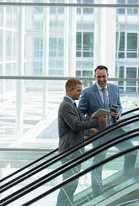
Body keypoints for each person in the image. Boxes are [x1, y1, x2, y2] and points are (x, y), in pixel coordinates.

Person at [78, 65, 137, 197]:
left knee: (132, 151)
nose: (101, 79)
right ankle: (98, 194)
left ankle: (127, 184)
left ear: (107, 75)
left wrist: (118, 114)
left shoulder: (115, 88)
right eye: (98, 77)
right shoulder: (87, 93)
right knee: (98, 163)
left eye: (103, 76)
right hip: (99, 132)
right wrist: (90, 127)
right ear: (95, 77)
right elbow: (79, 114)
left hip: (115, 129)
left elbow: (120, 107)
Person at [56, 78, 107, 206]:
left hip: (73, 150)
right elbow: (75, 125)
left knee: (71, 185)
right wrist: (96, 121)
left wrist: (89, 129)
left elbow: (74, 127)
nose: (81, 93)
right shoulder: (66, 105)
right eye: (78, 91)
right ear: (70, 90)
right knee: (68, 185)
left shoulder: (71, 104)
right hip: (70, 151)